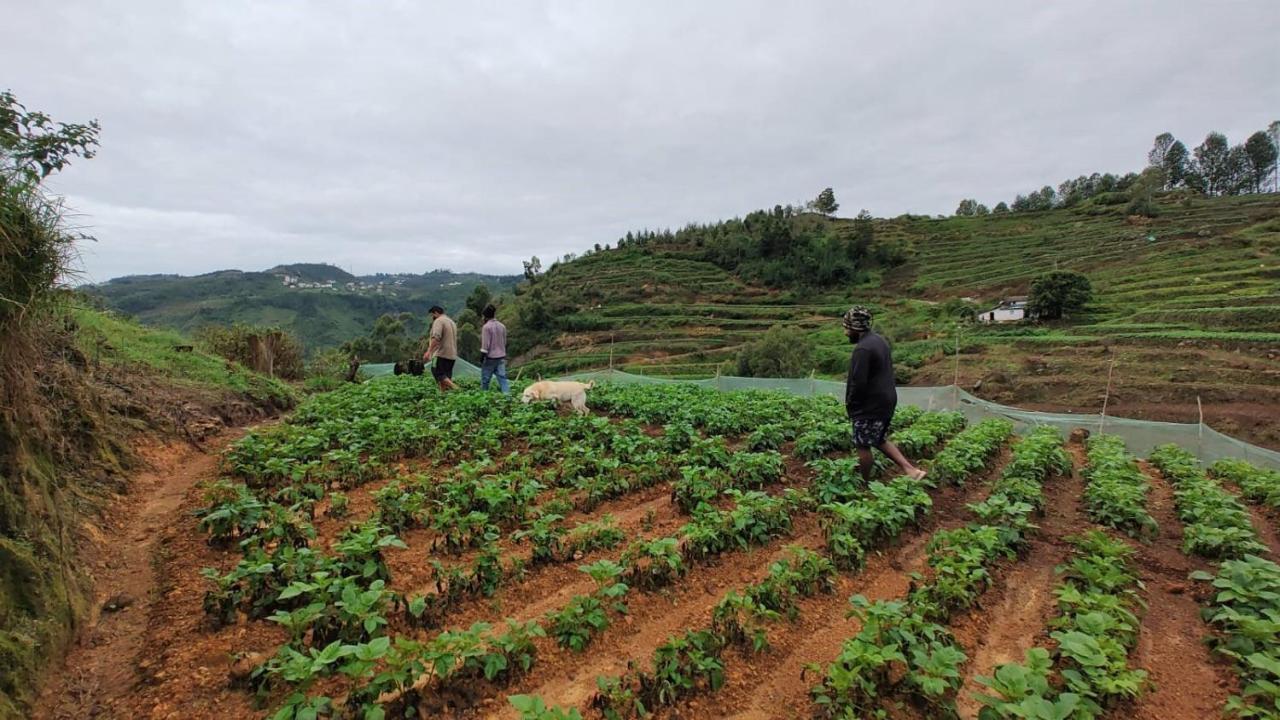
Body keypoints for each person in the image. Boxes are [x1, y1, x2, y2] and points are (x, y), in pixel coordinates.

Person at [843, 305, 926, 482]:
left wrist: (852, 406)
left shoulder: (863, 349)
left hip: (869, 404)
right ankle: (911, 470)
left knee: (863, 445)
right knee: (879, 439)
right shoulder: (879, 341)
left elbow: (858, 383)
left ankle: (865, 484)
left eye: (847, 328)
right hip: (886, 401)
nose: (845, 332)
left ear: (855, 328)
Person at [423, 305, 459, 391]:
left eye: (432, 315)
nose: (432, 318)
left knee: (436, 372)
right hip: (452, 355)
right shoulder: (452, 322)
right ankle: (443, 396)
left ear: (436, 313)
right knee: (445, 377)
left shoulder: (439, 321)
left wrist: (429, 351)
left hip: (441, 354)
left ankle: (456, 388)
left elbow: (436, 337)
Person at [479, 304, 510, 395]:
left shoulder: (486, 327)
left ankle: (484, 398)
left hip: (490, 358)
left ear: (485, 316)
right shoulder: (502, 326)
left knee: (485, 380)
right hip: (501, 357)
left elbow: (485, 346)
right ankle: (507, 397)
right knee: (502, 379)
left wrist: (481, 358)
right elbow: (504, 342)